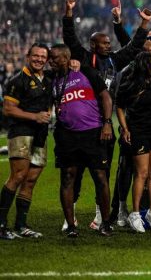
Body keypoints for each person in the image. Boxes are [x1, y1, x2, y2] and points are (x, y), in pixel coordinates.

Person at [62, 0, 150, 229]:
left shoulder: (113, 60)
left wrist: (143, 25)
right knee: (77, 171)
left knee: (103, 171)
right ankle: (69, 216)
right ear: (93, 45)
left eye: (109, 42)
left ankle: (100, 215)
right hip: (83, 124)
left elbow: (132, 49)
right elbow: (70, 40)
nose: (109, 45)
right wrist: (68, 13)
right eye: (104, 43)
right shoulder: (84, 59)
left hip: (105, 124)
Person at [48, 44, 114, 238]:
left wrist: (107, 123)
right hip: (66, 135)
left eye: (55, 58)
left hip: (93, 132)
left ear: (67, 58)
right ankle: (71, 226)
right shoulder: (51, 79)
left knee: (100, 177)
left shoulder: (85, 71)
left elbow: (106, 97)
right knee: (68, 177)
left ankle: (106, 223)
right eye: (50, 58)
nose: (51, 61)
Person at [0, 44, 52, 239]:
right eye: (35, 56)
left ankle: (21, 225)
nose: (39, 59)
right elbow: (8, 109)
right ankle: (1, 224)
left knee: (31, 180)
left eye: (42, 57)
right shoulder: (17, 81)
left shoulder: (46, 79)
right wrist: (35, 117)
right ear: (27, 56)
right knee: (18, 175)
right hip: (21, 132)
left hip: (40, 134)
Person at [116, 52, 151, 232]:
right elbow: (120, 107)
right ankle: (135, 213)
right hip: (138, 131)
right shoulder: (130, 84)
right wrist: (125, 128)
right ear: (145, 65)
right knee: (142, 172)